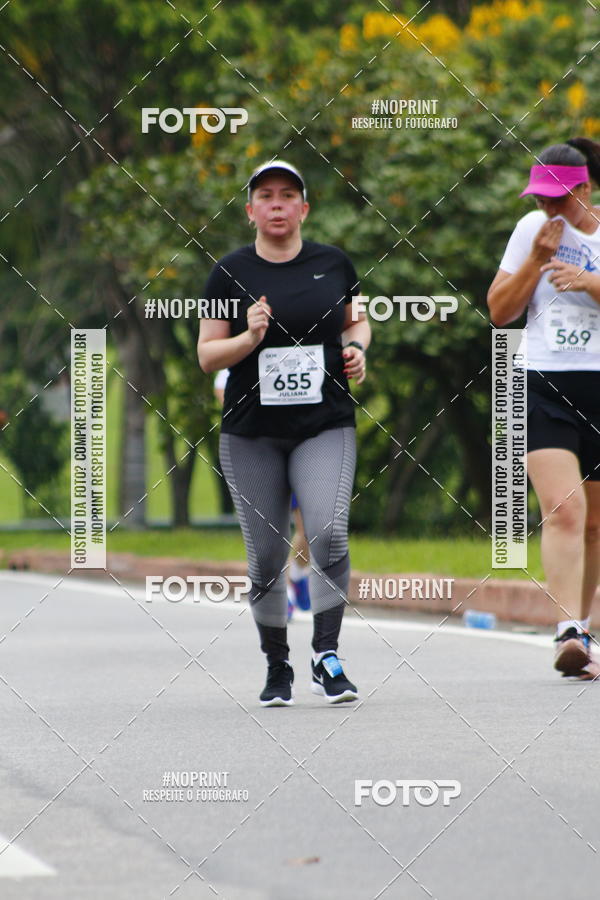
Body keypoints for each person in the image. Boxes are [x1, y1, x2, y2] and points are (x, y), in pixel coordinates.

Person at [198, 160, 371, 705]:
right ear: (250, 210)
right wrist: (248, 339)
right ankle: (278, 665)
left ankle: (327, 655)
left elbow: (358, 320)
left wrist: (357, 349)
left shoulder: (334, 263)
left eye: (288, 195)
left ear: (304, 208)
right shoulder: (228, 273)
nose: (277, 204)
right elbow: (207, 356)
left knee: (328, 532)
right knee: (267, 556)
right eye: (266, 195)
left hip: (323, 424)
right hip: (252, 433)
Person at [488, 138, 600, 680]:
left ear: (586, 190)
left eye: (558, 199)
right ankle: (567, 631)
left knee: (595, 524)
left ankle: (585, 630)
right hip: (541, 382)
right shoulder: (531, 230)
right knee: (563, 509)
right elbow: (499, 312)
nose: (547, 208)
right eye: (540, 199)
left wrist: (591, 283)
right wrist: (534, 261)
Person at [214, 368, 312, 620]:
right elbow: (224, 393)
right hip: (263, 452)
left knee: (312, 529)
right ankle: (284, 593)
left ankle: (298, 574)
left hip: (301, 448)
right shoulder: (241, 358)